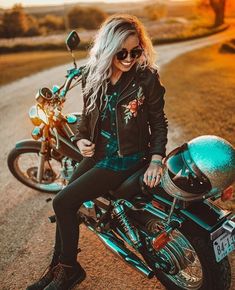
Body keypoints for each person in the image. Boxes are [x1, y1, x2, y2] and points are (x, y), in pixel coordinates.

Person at [26, 14, 168, 290]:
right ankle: (58, 268)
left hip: (126, 157)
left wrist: (155, 160)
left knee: (62, 203)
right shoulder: (93, 74)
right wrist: (80, 140)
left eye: (136, 51)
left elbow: (159, 122)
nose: (129, 58)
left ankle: (69, 271)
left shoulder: (145, 78)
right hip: (96, 154)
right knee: (67, 198)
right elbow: (87, 117)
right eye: (122, 52)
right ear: (107, 49)